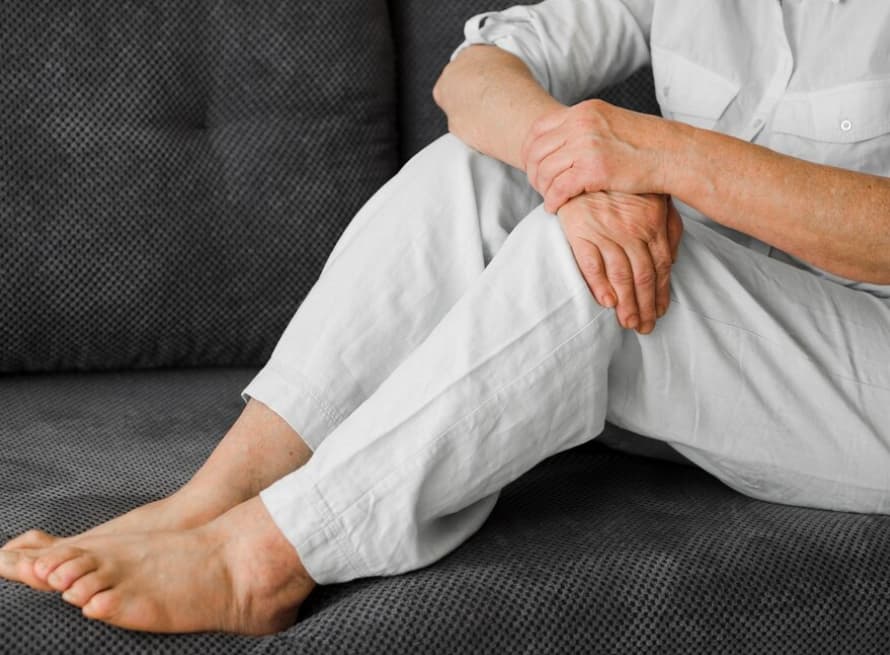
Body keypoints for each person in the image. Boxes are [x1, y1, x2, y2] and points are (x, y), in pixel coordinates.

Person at [3, 0, 890, 636]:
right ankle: (214, 495)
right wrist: (571, 170)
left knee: (572, 261)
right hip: (732, 348)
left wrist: (657, 153)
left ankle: (262, 560)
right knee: (474, 170)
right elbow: (477, 75)